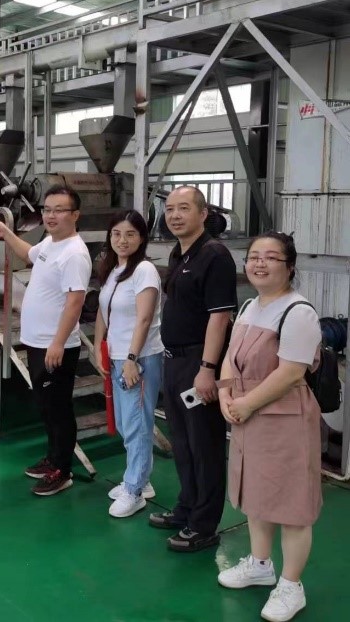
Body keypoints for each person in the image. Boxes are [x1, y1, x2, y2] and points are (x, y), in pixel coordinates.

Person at [216, 232, 321, 622]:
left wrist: (245, 403)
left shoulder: (298, 312)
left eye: (271, 257)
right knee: (257, 494)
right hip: (248, 415)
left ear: (289, 267)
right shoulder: (249, 306)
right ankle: (260, 565)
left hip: (285, 419)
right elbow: (230, 356)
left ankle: (292, 585)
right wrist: (226, 394)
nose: (259, 263)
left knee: (292, 505)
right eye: (254, 256)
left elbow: (291, 372)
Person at [149, 186, 237, 552]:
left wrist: (207, 368)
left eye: (184, 208)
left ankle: (203, 525)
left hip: (198, 362)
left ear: (203, 214)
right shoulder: (179, 251)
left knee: (205, 445)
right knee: (183, 443)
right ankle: (186, 507)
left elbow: (220, 317)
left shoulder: (214, 255)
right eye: (170, 209)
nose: (174, 215)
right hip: (174, 361)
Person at [0, 185, 91, 496]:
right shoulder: (51, 243)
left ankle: (63, 470)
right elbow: (28, 254)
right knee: (47, 406)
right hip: (38, 342)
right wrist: (5, 232)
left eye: (59, 210)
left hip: (54, 346)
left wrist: (58, 343)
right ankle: (53, 458)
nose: (51, 215)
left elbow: (75, 302)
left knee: (58, 408)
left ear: (75, 215)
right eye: (47, 209)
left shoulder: (75, 253)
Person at [93, 210, 164, 518]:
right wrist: (99, 346)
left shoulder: (144, 270)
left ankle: (134, 490)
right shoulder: (114, 270)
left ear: (142, 238)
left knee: (136, 424)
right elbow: (103, 310)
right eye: (116, 234)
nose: (122, 240)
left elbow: (144, 318)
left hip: (139, 357)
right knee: (125, 423)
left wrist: (132, 359)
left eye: (130, 234)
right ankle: (141, 480)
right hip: (117, 355)